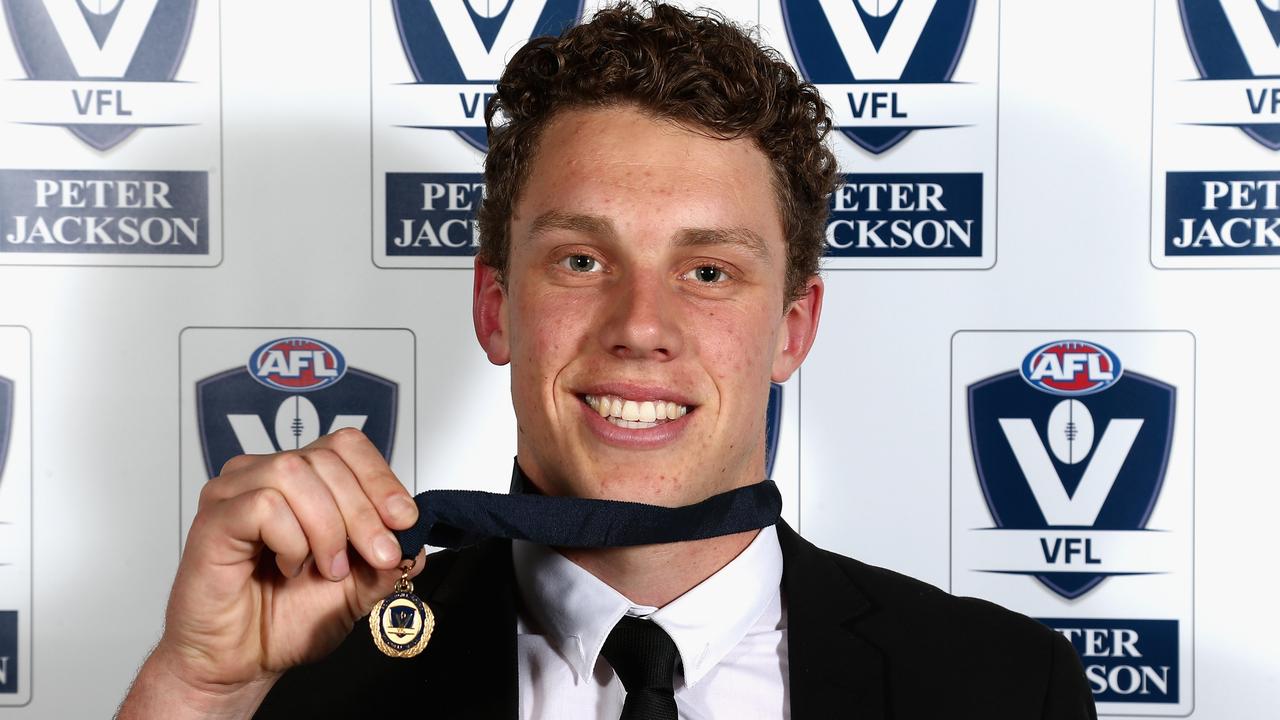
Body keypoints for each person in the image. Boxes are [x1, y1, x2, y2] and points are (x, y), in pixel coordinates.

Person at [119, 3, 1096, 718]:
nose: (640, 324)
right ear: (494, 308)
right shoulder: (297, 682)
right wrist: (199, 689)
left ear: (792, 331)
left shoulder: (1000, 689)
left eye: (708, 270)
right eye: (581, 260)